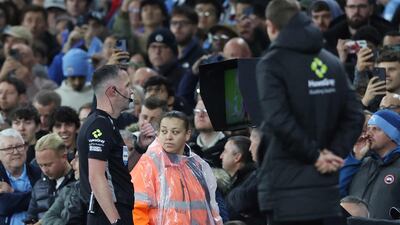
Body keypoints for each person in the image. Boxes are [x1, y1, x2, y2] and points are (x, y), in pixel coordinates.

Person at [256, 0, 364, 224]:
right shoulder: (331, 62)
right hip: (325, 191)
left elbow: (278, 119)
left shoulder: (272, 63)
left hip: (285, 191)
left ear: (271, 26)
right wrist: (333, 153)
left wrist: (315, 155)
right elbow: (355, 115)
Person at [78, 65, 155, 225]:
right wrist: (115, 221)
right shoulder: (99, 125)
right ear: (112, 91)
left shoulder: (106, 123)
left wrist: (140, 148)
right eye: (127, 86)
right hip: (107, 214)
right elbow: (96, 176)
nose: (132, 91)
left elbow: (117, 172)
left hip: (117, 211)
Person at [131, 111, 223, 225]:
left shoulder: (199, 166)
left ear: (187, 134)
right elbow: (137, 209)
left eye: (175, 132)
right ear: (158, 133)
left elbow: (212, 209)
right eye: (164, 131)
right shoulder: (147, 164)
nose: (168, 137)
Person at [339, 109, 400, 219]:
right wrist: (355, 158)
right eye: (368, 128)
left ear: (392, 134)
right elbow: (338, 193)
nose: (368, 133)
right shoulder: (361, 163)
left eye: (376, 129)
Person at [25, 133, 75, 224]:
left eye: (48, 164)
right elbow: (30, 218)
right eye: (40, 165)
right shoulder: (39, 186)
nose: (44, 170)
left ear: (64, 157)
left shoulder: (78, 184)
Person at [0, 128, 41, 225]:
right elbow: (3, 205)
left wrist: (12, 192)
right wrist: (31, 196)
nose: (16, 152)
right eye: (9, 148)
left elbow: (44, 200)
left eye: (19, 146)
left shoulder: (39, 172)